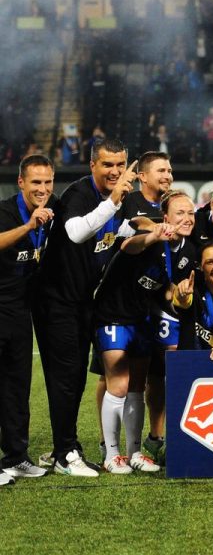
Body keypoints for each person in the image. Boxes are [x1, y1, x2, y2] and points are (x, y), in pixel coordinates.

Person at [33, 138, 136, 476]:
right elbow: (77, 232)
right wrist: (115, 199)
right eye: (107, 164)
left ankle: (67, 446)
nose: (115, 171)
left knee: (74, 379)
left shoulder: (115, 200)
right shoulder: (80, 194)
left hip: (81, 304)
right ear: (92, 165)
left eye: (120, 165)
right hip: (56, 303)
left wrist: (144, 227)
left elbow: (117, 232)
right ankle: (65, 453)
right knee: (65, 378)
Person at [92, 190, 197, 473]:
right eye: (180, 213)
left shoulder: (186, 250)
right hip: (112, 315)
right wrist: (154, 235)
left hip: (141, 319)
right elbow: (129, 246)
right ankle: (111, 454)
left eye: (191, 213)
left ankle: (134, 452)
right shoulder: (150, 235)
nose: (187, 218)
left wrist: (180, 294)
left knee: (138, 387)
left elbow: (165, 290)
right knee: (120, 383)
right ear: (165, 218)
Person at [0, 155, 56, 484]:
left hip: (20, 311)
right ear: (21, 182)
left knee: (17, 388)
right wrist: (28, 226)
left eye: (48, 182)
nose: (43, 189)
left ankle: (16, 457)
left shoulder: (52, 212)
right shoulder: (6, 211)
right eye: (36, 182)